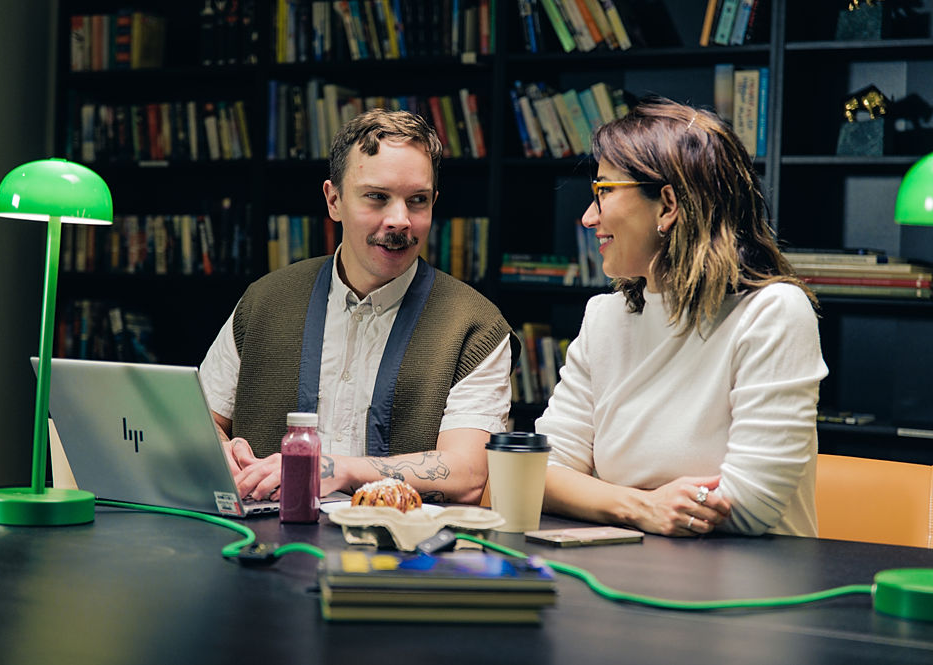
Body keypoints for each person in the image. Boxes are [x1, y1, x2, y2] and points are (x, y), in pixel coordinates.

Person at [536, 97, 828, 538]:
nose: (588, 216)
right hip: (628, 571)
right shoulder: (604, 318)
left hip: (754, 589)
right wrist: (641, 507)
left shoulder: (773, 313)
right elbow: (538, 473)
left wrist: (598, 496)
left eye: (603, 191)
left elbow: (749, 507)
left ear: (668, 205)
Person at [200, 108, 516, 505]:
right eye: (377, 198)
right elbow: (204, 421)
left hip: (404, 554)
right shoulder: (264, 301)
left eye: (417, 201)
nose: (400, 220)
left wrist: (339, 469)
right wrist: (219, 451)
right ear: (334, 200)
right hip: (265, 544)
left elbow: (469, 473)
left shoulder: (475, 326)